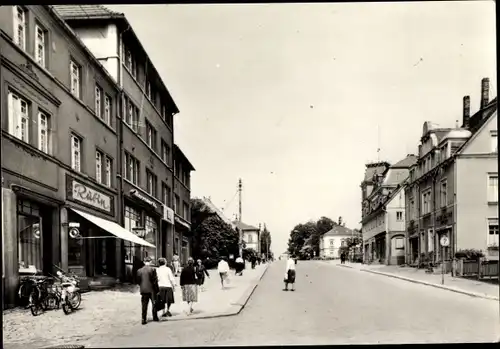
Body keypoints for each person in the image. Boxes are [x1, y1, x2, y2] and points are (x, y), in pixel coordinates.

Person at [136, 257, 160, 325]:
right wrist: (157, 290)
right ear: (150, 262)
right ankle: (155, 317)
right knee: (154, 303)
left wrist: (141, 285)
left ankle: (143, 318)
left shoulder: (139, 270)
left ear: (144, 261)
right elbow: (155, 281)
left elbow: (138, 281)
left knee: (144, 304)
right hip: (152, 289)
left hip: (143, 289)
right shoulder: (152, 269)